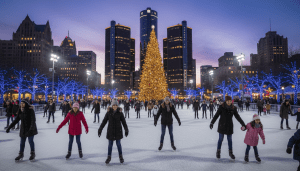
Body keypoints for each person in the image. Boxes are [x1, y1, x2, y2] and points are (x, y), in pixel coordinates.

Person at [210, 96, 246, 160]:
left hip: (229, 126)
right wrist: (212, 123)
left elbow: (238, 117)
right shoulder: (222, 107)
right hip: (222, 125)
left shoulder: (233, 108)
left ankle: (230, 153)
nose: (229, 102)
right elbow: (216, 115)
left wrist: (243, 124)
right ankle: (218, 152)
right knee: (220, 139)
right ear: (226, 101)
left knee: (230, 140)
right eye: (228, 101)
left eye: (230, 101)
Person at [98, 99, 129, 164]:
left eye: (116, 105)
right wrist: (100, 129)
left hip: (118, 131)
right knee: (110, 145)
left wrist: (126, 129)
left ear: (117, 106)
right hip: (111, 131)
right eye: (113, 105)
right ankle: (109, 157)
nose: (115, 106)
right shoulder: (108, 112)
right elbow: (104, 121)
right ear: (112, 106)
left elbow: (124, 122)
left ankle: (121, 157)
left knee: (118, 144)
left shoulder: (120, 113)